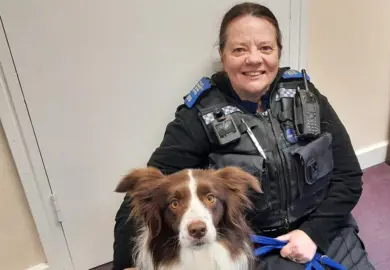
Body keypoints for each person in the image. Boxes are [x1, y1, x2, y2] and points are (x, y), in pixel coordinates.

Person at [113, 2, 375, 270]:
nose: (254, 59)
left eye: (265, 48)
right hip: (255, 243)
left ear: (278, 53)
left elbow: (349, 177)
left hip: (325, 226)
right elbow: (147, 195)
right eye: (239, 49)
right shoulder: (198, 117)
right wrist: (126, 265)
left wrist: (312, 233)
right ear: (223, 55)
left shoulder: (307, 97)